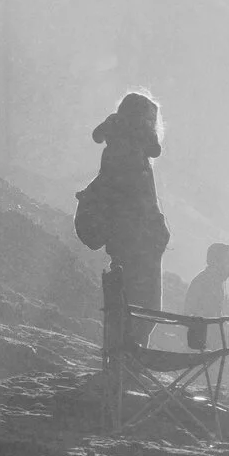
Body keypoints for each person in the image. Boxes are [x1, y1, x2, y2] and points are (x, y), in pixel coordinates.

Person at [79, 92, 169, 346]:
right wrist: (156, 228)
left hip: (125, 237)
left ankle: (123, 356)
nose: (154, 124)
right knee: (145, 304)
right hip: (141, 239)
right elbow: (136, 196)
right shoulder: (133, 148)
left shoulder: (115, 145)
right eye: (151, 118)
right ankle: (132, 357)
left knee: (125, 301)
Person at [179, 242, 229, 351]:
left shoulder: (220, 283)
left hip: (214, 336)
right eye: (226, 260)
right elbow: (189, 311)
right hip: (200, 338)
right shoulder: (202, 280)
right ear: (216, 260)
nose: (228, 265)